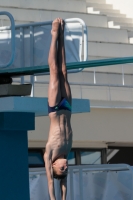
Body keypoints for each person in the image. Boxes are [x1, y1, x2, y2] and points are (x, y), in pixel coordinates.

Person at [44, 18, 72, 200]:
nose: (66, 166)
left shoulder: (50, 153)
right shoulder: (67, 151)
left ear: (54, 167)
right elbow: (64, 183)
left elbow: (51, 181)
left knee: (54, 70)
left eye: (62, 168)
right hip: (67, 108)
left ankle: (54, 35)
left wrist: (54, 198)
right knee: (63, 70)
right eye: (66, 170)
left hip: (55, 108)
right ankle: (62, 35)